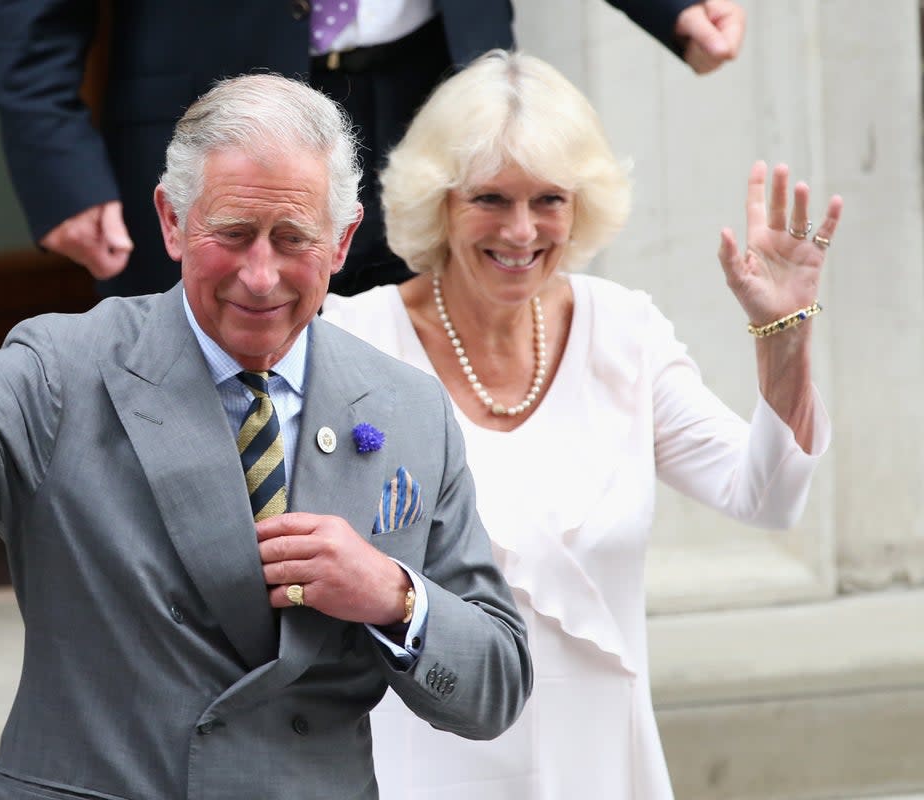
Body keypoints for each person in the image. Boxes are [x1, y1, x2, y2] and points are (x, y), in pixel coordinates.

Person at [0, 69, 532, 800]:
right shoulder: (64, 369)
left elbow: (495, 684)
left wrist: (392, 594)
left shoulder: (406, 407)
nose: (260, 276)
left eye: (292, 238)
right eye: (233, 234)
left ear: (344, 239)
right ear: (171, 220)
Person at [322, 49, 840, 799]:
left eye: (549, 200)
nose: (523, 230)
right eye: (491, 198)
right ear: (439, 201)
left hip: (601, 765)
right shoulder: (354, 343)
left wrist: (785, 333)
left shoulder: (624, 334)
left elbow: (765, 494)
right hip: (422, 768)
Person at [0, 0, 746, 299]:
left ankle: (421, 629)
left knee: (437, 403)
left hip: (432, 100)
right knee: (212, 412)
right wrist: (56, 159)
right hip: (225, 122)